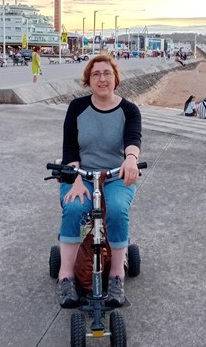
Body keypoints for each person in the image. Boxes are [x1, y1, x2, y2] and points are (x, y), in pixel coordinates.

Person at [57, 54, 142, 309]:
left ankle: (117, 274)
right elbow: (70, 150)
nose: (102, 78)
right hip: (81, 176)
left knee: (115, 210)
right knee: (74, 208)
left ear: (115, 78)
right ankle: (66, 276)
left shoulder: (129, 109)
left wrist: (131, 160)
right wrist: (75, 180)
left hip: (116, 176)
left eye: (107, 73)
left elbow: (133, 140)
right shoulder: (77, 108)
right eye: (96, 74)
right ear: (88, 80)